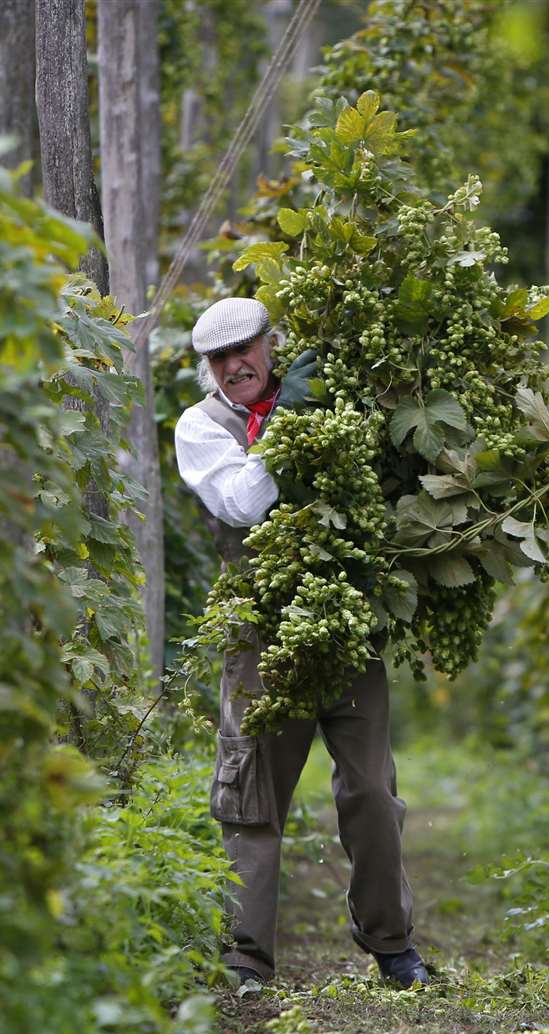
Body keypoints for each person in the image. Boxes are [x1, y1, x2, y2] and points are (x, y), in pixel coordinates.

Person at [172, 296, 427, 996]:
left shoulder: (330, 393)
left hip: (345, 622)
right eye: (219, 359)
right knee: (252, 795)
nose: (234, 366)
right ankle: (247, 959)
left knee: (373, 792)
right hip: (262, 634)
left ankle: (393, 946)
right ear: (208, 369)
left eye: (245, 349)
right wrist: (293, 423)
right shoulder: (200, 426)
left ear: (271, 343)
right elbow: (244, 504)